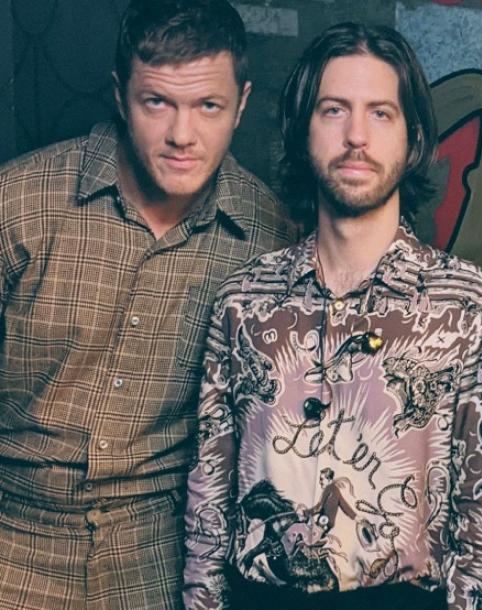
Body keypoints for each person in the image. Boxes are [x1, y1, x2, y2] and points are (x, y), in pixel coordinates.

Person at [182, 22, 482, 610]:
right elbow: (209, 497)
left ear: (413, 137)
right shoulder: (244, 301)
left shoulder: (464, 302)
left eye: (380, 113)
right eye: (334, 110)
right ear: (302, 129)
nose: (357, 136)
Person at [0, 1, 295, 608]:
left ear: (241, 104)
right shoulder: (20, 201)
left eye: (208, 106)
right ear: (120, 95)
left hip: (161, 560)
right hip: (14, 537)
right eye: (157, 102)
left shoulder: (268, 239)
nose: (182, 135)